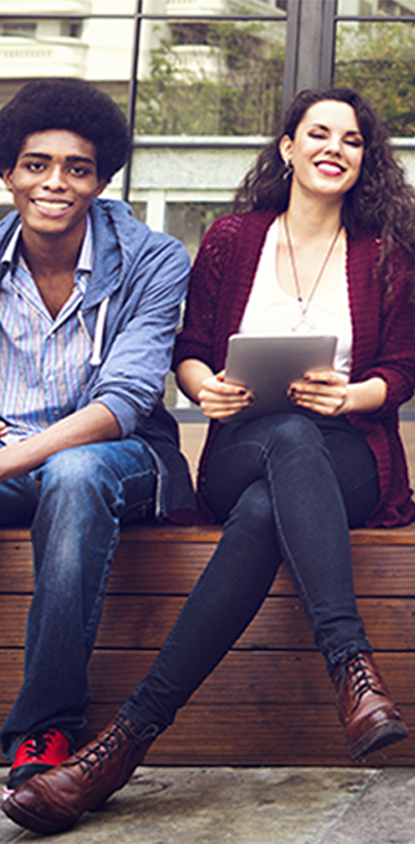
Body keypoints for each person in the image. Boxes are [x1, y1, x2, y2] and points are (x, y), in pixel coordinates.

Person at [3, 87, 415, 835]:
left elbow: (402, 371)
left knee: (280, 488)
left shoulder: (386, 251)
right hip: (242, 442)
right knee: (281, 446)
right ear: (288, 148)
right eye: (318, 133)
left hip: (350, 453)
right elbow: (189, 350)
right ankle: (352, 667)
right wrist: (208, 389)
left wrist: (353, 394)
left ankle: (119, 747)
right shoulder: (234, 239)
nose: (335, 148)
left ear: (368, 160)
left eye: (353, 139)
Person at [0, 79, 193, 800]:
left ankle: (45, 725)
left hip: (124, 459)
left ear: (101, 178)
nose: (55, 183)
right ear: (9, 172)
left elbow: (124, 401)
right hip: (14, 461)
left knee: (75, 474)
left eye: (76, 168)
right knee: (58, 473)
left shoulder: (153, 257)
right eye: (36, 164)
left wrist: (12, 456)